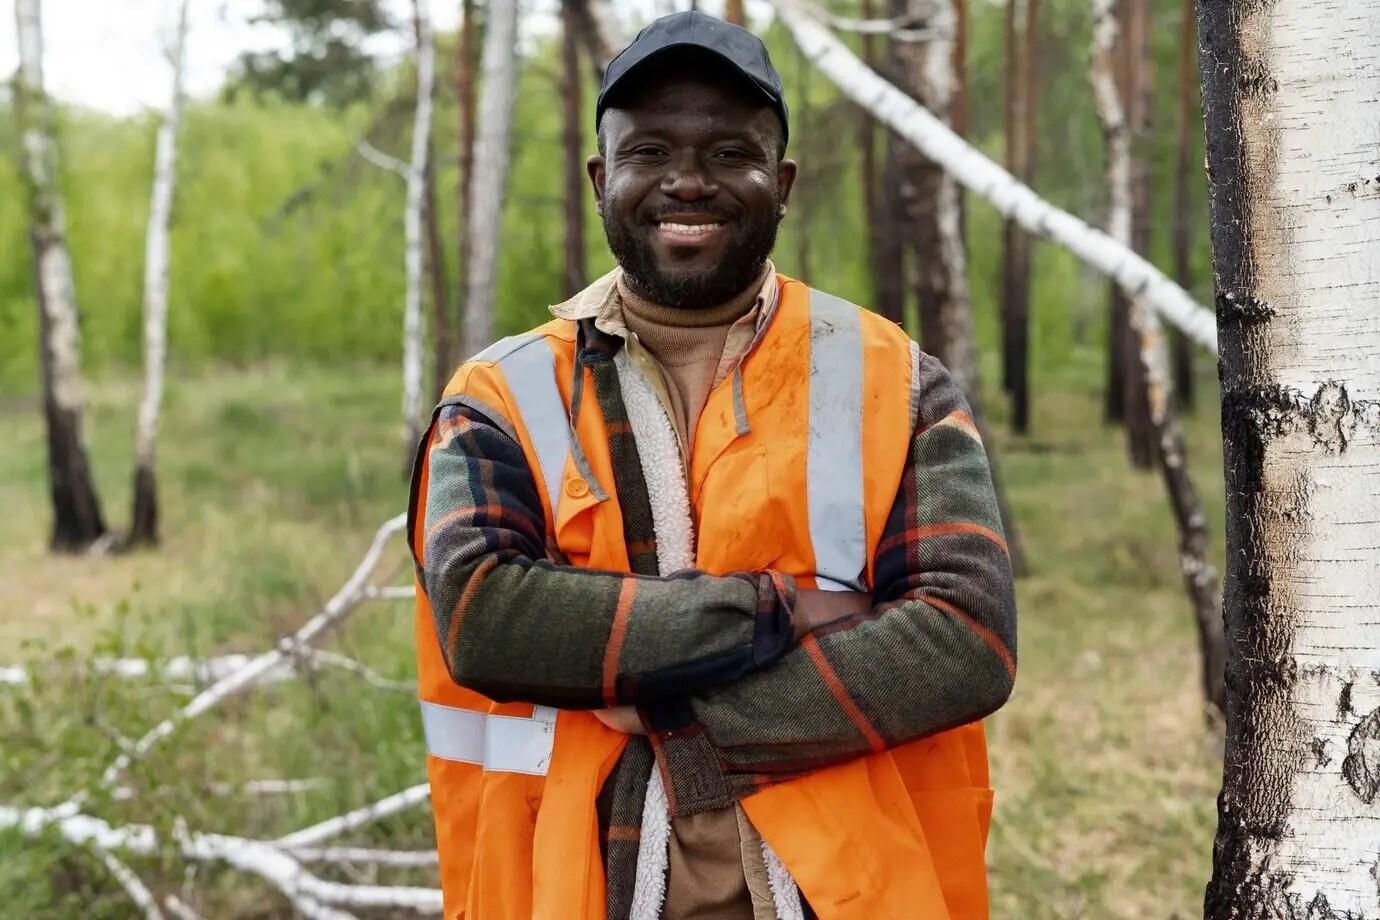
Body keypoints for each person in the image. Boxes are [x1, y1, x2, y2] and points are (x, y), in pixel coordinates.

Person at [406, 10, 1017, 920]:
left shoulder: (893, 377)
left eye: (730, 154)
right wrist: (778, 610)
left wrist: (677, 722)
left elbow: (967, 639)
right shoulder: (501, 394)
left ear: (785, 183)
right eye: (650, 151)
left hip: (848, 892)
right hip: (570, 887)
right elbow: (488, 619)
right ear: (600, 176)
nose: (688, 182)